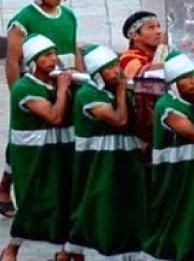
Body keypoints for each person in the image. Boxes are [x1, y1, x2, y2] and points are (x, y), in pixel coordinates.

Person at [0, 0, 82, 217]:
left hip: (65, 83)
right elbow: (12, 60)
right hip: (37, 85)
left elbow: (74, 47)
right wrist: (16, 93)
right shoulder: (23, 20)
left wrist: (78, 75)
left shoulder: (68, 15)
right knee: (23, 139)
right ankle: (4, 187)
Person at [0, 34, 76, 261]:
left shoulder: (53, 81)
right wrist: (63, 89)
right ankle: (11, 249)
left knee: (65, 201)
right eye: (46, 56)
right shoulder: (25, 88)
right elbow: (54, 116)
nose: (53, 59)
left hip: (59, 151)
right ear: (33, 61)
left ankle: (68, 253)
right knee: (34, 203)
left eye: (54, 54)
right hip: (33, 156)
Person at [65, 44, 146, 259]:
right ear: (98, 73)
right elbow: (119, 120)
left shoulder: (116, 90)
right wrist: (121, 92)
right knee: (97, 206)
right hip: (98, 163)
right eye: (110, 68)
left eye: (117, 65)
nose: (117, 71)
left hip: (124, 161)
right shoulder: (88, 94)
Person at [143, 51, 194, 261]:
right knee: (179, 223)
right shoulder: (168, 107)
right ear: (174, 83)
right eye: (187, 78)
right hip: (177, 176)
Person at [117, 11, 166, 171]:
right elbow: (137, 79)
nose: (158, 31)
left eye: (158, 26)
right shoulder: (130, 58)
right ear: (135, 36)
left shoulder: (160, 53)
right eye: (151, 28)